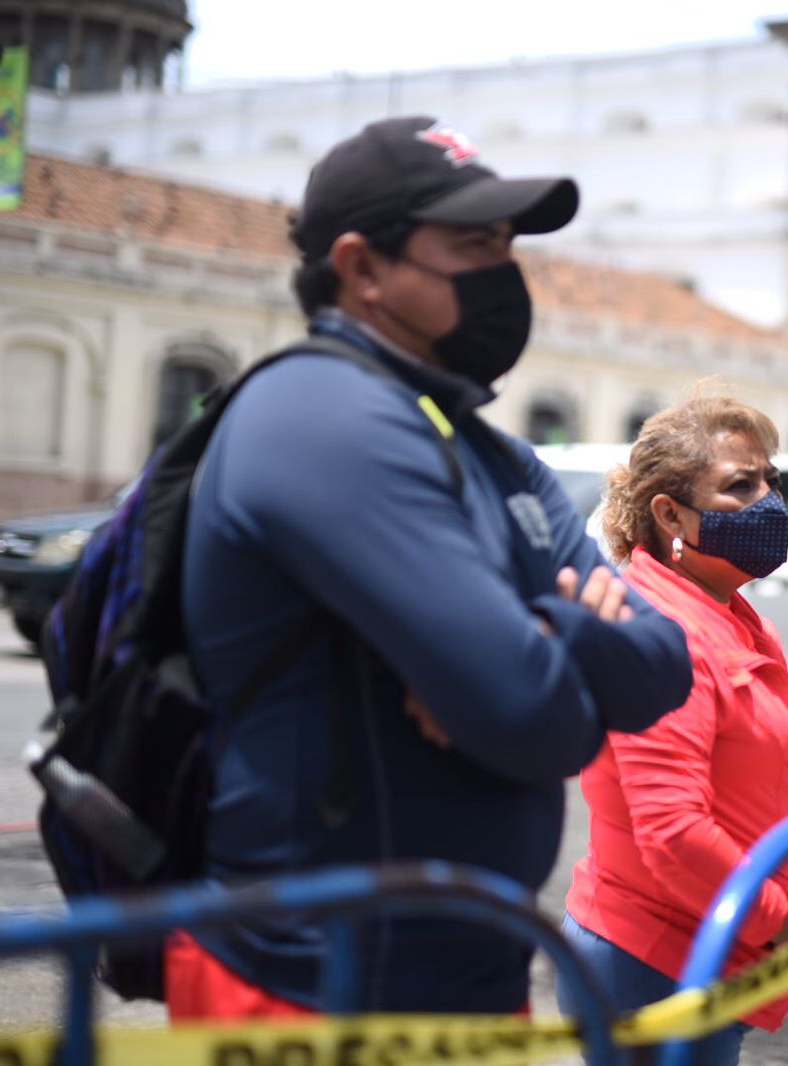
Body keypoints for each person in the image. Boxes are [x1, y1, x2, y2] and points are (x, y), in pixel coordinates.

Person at [170, 116, 694, 1019]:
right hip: (312, 991)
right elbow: (530, 715)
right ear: (363, 268)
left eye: (506, 246)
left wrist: (538, 640)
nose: (504, 274)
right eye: (472, 246)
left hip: (468, 976)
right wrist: (566, 644)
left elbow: (665, 666)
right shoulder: (319, 414)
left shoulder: (491, 452)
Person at [559, 393, 788, 1065]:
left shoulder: (725, 608)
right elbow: (673, 830)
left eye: (772, 481)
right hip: (658, 964)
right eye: (742, 485)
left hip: (703, 951)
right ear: (669, 513)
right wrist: (776, 922)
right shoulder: (664, 628)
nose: (771, 502)